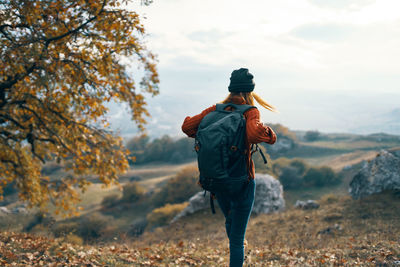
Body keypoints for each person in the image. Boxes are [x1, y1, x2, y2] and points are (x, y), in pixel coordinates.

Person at [181, 68, 277, 267]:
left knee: (232, 224)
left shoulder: (215, 110)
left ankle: (239, 247)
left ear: (231, 89)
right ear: (248, 92)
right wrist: (271, 134)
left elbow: (188, 127)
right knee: (236, 239)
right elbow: (254, 135)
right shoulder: (251, 111)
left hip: (217, 180)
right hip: (242, 181)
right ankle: (238, 252)